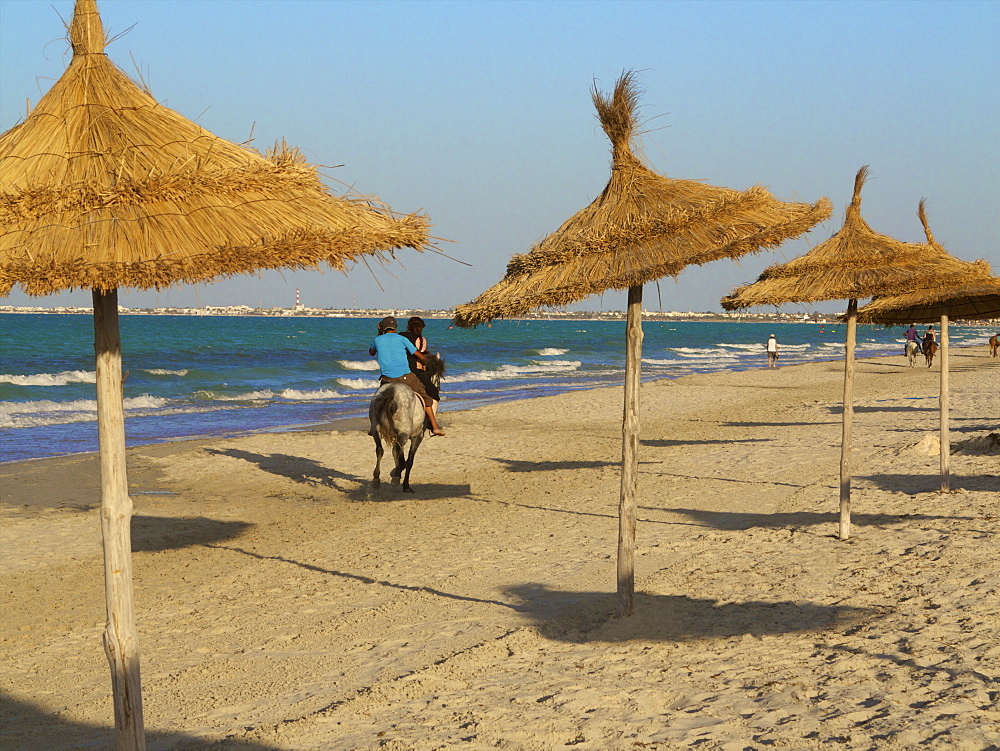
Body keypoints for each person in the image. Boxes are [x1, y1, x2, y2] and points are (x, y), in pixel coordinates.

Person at [369, 316, 445, 436]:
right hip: (405, 376)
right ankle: (435, 426)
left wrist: (379, 333)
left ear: (382, 327)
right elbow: (417, 354)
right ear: (396, 327)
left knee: (377, 401)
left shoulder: (377, 340)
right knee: (426, 397)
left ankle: (374, 426)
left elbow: (371, 352)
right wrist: (426, 361)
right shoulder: (401, 339)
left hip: (386, 378)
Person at [401, 317, 440, 416]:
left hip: (397, 370)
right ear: (421, 328)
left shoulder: (399, 336)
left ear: (408, 326)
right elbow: (421, 358)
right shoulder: (421, 340)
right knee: (434, 392)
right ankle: (432, 422)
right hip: (413, 371)